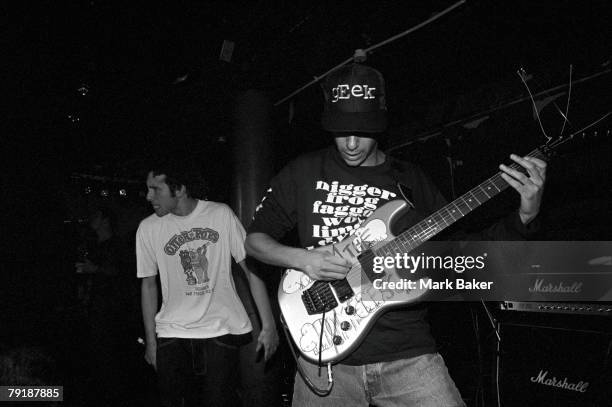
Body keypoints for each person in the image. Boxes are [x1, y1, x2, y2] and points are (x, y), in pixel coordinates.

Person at [244, 63, 546, 406]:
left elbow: (463, 254)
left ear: (380, 123)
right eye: (342, 132)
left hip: (408, 352)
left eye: (362, 131)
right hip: (324, 351)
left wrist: (525, 215)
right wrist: (305, 259)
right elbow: (254, 241)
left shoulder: (410, 179)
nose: (352, 143)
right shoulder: (303, 171)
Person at [136, 161, 279, 407]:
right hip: (171, 331)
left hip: (220, 329)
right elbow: (148, 285)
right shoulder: (148, 228)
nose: (149, 196)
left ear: (179, 189)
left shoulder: (219, 214)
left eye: (155, 189)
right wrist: (151, 342)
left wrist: (269, 325)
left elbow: (251, 269)